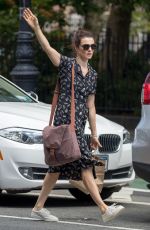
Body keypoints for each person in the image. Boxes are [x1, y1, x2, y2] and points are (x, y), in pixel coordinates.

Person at [23, 8, 125, 223]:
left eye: (93, 46)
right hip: (64, 126)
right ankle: (104, 208)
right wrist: (37, 29)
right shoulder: (66, 65)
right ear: (77, 48)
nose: (90, 49)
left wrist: (94, 133)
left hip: (78, 127)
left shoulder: (93, 75)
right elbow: (47, 48)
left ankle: (38, 208)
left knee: (56, 168)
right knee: (86, 165)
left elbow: (91, 107)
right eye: (86, 46)